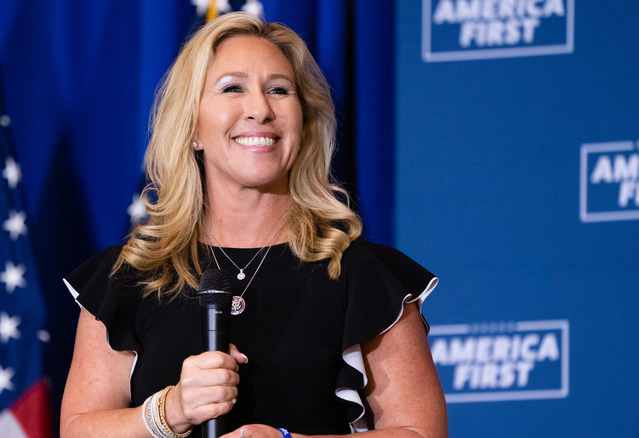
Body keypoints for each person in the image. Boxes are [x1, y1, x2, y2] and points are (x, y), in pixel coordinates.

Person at [60, 11, 448, 438]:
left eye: (279, 90)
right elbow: (79, 429)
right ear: (192, 128)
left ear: (304, 122)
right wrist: (171, 410)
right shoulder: (128, 277)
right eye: (232, 88)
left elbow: (420, 432)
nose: (260, 110)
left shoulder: (362, 275)